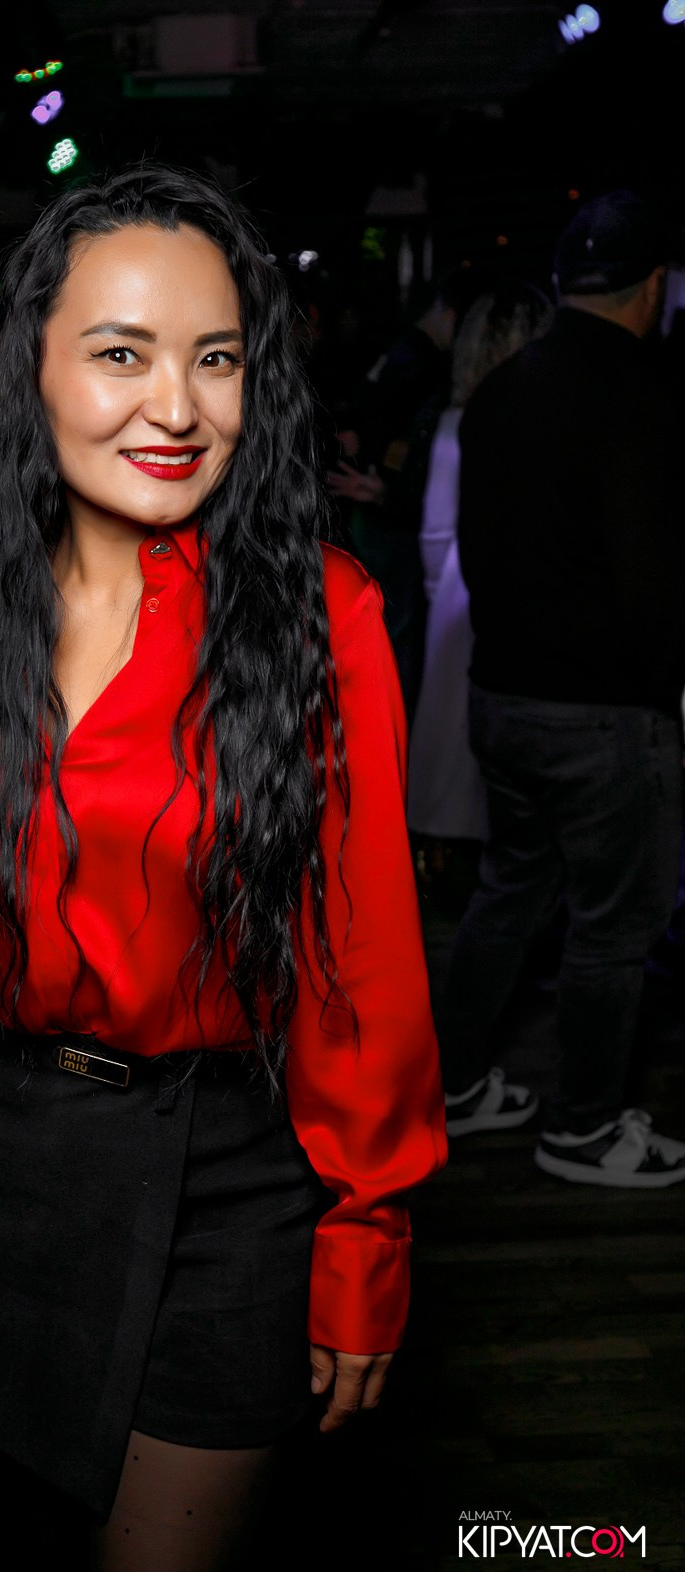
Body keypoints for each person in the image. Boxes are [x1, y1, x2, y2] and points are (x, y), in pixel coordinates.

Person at [0, 165, 446, 1572]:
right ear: (35, 369)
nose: (176, 408)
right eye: (121, 354)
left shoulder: (320, 620)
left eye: (216, 359)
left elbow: (359, 962)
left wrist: (365, 1236)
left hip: (212, 1192)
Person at [437, 191, 685, 1186]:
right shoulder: (647, 396)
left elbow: (481, 552)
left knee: (510, 895)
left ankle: (448, 1086)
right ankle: (582, 1127)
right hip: (604, 713)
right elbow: (651, 575)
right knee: (613, 929)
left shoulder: (500, 389)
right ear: (652, 289)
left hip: (502, 699)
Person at [407, 283, 552, 845]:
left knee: (460, 741)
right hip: (532, 592)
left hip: (463, 595)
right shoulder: (550, 424)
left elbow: (436, 535)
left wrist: (438, 600)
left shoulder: (458, 425)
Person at [328, 268, 478, 713]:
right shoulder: (423, 363)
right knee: (393, 632)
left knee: (379, 625)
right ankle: (387, 724)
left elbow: (359, 419)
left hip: (376, 505)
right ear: (450, 314)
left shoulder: (398, 351)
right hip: (387, 512)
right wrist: (385, 484)